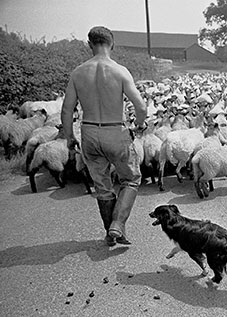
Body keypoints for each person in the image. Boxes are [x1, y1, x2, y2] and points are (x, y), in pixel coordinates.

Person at [61, 26, 147, 246]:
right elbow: (141, 106)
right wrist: (138, 124)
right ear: (112, 44)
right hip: (115, 131)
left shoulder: (78, 72)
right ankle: (118, 224)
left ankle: (111, 233)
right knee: (130, 179)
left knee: (102, 185)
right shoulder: (119, 71)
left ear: (89, 44)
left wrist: (70, 136)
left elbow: (66, 110)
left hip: (89, 131)